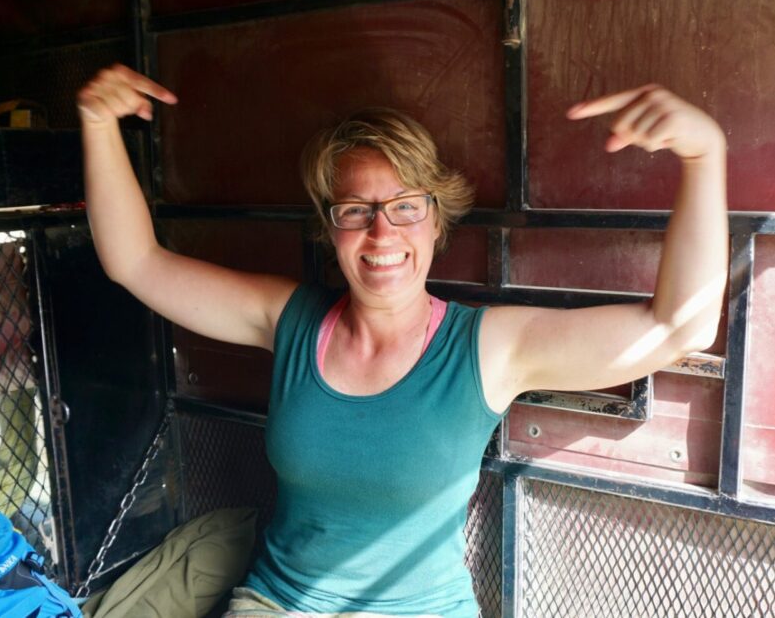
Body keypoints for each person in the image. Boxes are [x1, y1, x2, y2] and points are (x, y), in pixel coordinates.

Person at [77, 65, 728, 618]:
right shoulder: (290, 319)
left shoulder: (487, 346)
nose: (382, 233)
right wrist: (98, 124)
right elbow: (135, 262)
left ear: (437, 220)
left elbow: (680, 327)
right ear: (331, 229)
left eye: (406, 206)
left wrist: (704, 156)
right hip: (280, 604)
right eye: (356, 210)